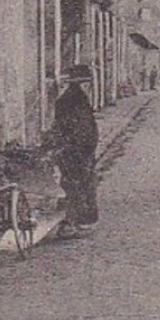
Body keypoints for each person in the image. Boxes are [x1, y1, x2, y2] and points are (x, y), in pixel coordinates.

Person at [51, 64, 100, 236]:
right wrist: (79, 148)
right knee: (75, 185)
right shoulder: (73, 100)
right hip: (75, 150)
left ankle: (78, 221)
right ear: (81, 83)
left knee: (79, 184)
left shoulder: (76, 98)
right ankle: (73, 222)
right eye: (87, 82)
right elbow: (77, 128)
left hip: (79, 149)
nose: (90, 86)